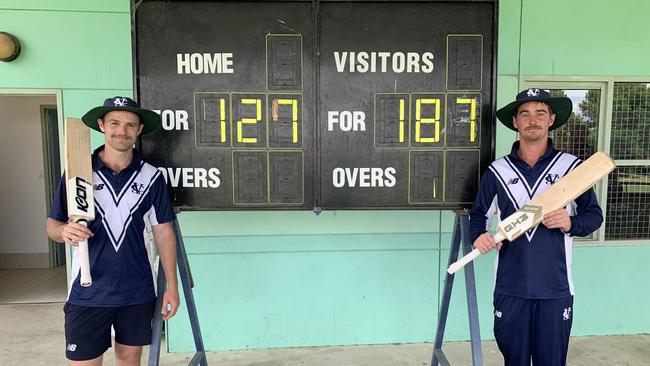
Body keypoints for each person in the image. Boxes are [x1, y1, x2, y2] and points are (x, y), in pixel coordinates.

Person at [469, 88, 603, 366]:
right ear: (515, 122)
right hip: (510, 288)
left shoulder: (571, 168)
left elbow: (593, 216)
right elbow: (478, 215)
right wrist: (479, 236)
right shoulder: (498, 171)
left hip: (555, 289)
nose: (533, 120)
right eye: (525, 114)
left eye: (540, 113)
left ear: (551, 119)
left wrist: (569, 222)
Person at [46, 96, 180, 365]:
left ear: (139, 130)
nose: (122, 131)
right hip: (88, 290)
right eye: (115, 123)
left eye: (131, 125)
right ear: (102, 125)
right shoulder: (78, 172)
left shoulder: (151, 176)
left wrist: (172, 285)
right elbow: (53, 224)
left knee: (130, 359)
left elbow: (163, 230)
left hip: (137, 289)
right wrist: (63, 233)